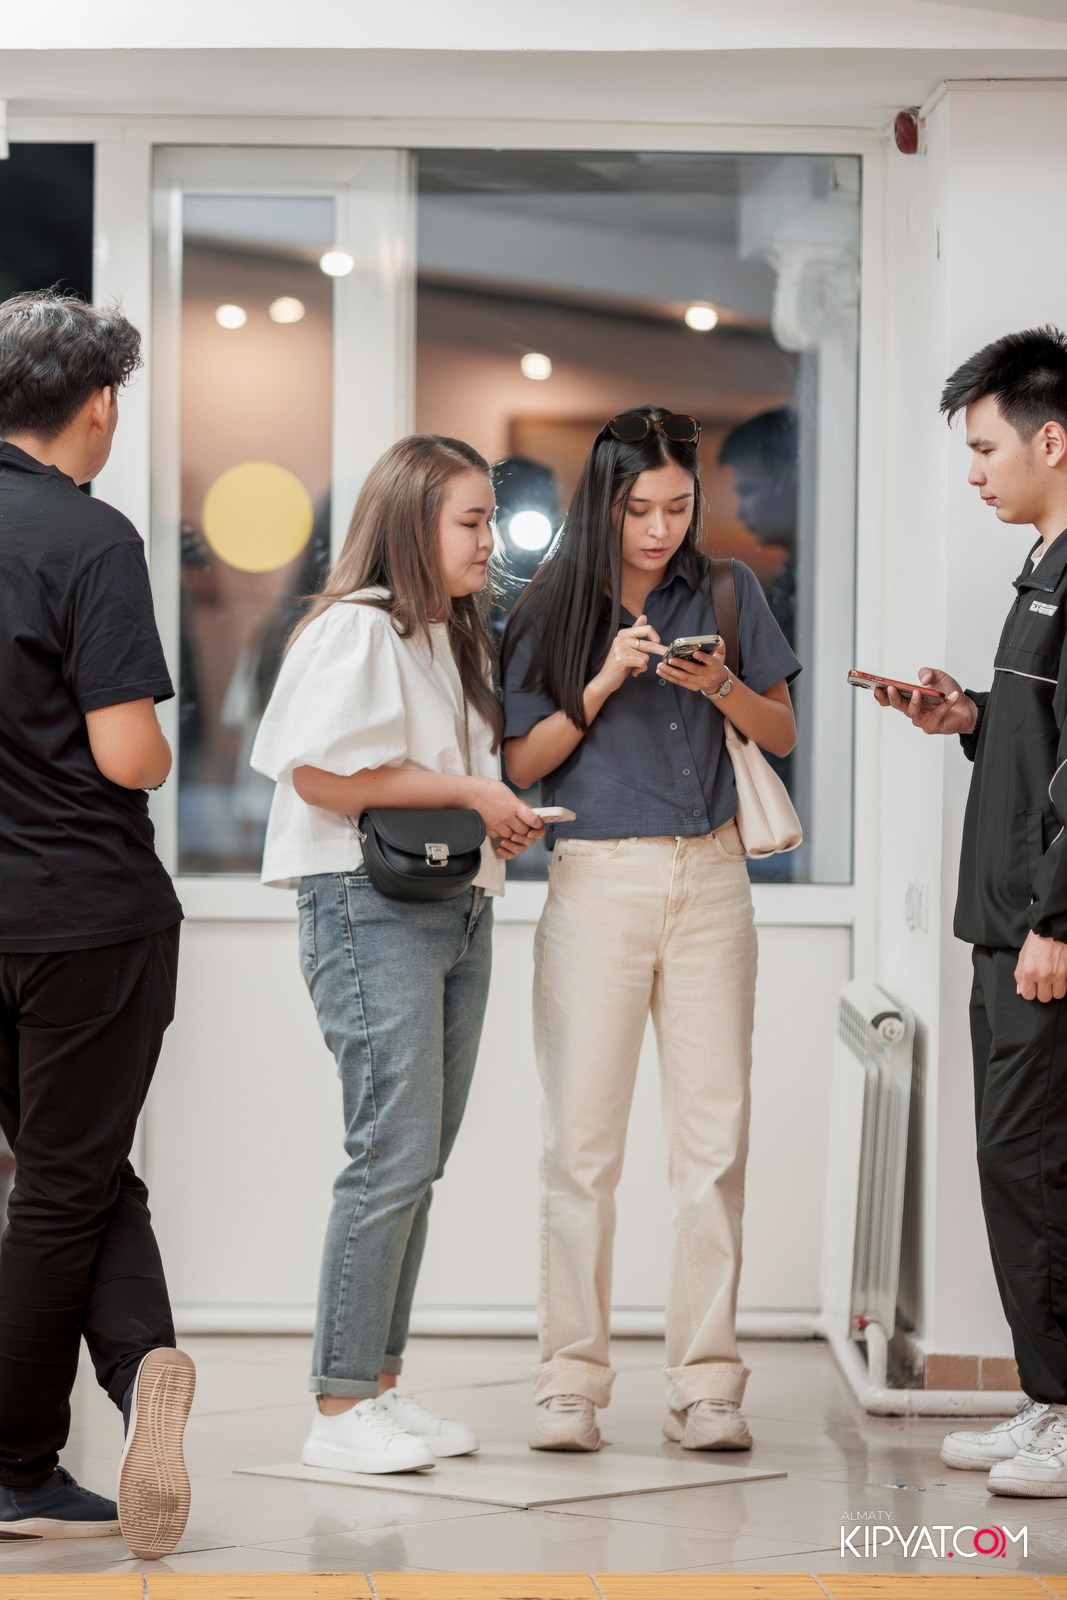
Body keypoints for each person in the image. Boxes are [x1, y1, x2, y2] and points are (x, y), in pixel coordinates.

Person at [499, 405, 800, 1453]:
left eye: (677, 506)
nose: (659, 527)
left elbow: (782, 728)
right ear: (604, 500)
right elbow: (521, 765)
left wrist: (718, 683)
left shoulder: (727, 590)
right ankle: (568, 1384)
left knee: (712, 1145)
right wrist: (603, 679)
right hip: (595, 882)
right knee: (579, 1150)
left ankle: (706, 1383)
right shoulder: (548, 603)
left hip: (713, 878)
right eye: (639, 507)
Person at [251, 434, 544, 1474]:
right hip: (366, 906)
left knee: (415, 1160)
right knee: (389, 1156)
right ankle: (336, 1409)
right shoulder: (358, 629)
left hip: (447, 901)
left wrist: (487, 813)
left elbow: (417, 779)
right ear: (412, 523)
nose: (487, 540)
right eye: (467, 521)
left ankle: (376, 1384)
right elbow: (324, 779)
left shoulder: (444, 635)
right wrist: (470, 793)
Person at [0, 290, 194, 1558]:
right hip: (82, 916)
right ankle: (16, 1461)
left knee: (71, 1174)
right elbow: (131, 755)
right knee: (65, 1189)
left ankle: (138, 1377)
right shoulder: (91, 538)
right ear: (102, 404)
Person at [879, 327, 1067, 1498]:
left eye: (986, 445)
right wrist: (965, 720)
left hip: (1043, 936)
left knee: (1033, 1164)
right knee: (1017, 1166)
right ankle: (1047, 1394)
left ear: (1053, 438)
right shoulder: (1040, 571)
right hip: (1002, 925)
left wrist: (1058, 919)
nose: (973, 469)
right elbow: (1039, 757)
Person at [718, 407, 799, 651]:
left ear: (790, 481)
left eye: (748, 491)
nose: (740, 512)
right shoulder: (793, 578)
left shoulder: (825, 581)